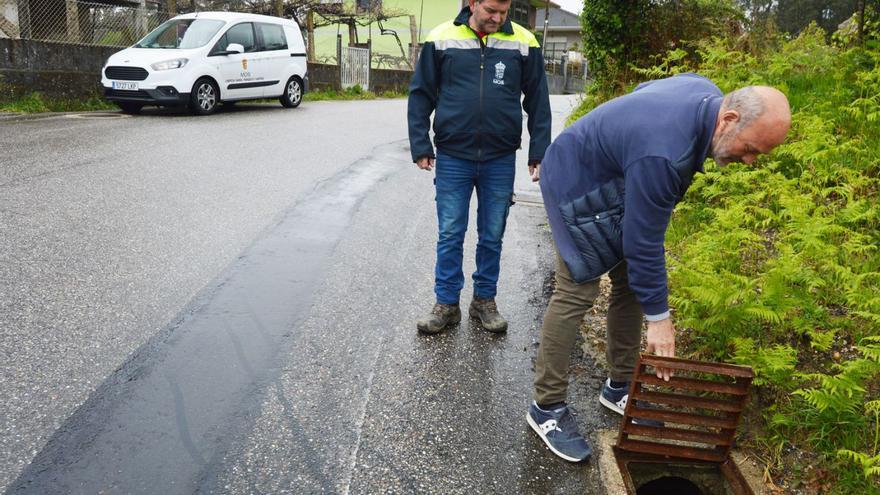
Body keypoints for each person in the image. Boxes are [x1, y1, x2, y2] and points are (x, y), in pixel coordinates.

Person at [525, 74, 791, 462]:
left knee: (632, 285)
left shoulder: (704, 94)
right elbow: (643, 242)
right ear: (729, 118)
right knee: (577, 290)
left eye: (759, 155)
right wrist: (660, 319)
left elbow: (642, 92)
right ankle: (545, 408)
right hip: (574, 179)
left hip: (618, 175)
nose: (749, 161)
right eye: (750, 149)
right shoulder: (664, 154)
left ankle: (618, 386)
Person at [407, 0, 551, 335]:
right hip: (454, 155)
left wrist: (538, 151)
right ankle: (446, 304)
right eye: (490, 11)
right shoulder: (441, 38)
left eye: (503, 12)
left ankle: (484, 301)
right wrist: (420, 143)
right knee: (450, 232)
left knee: (492, 234)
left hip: (499, 157)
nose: (498, 18)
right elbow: (420, 95)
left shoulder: (524, 42)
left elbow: (538, 100)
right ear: (472, 3)